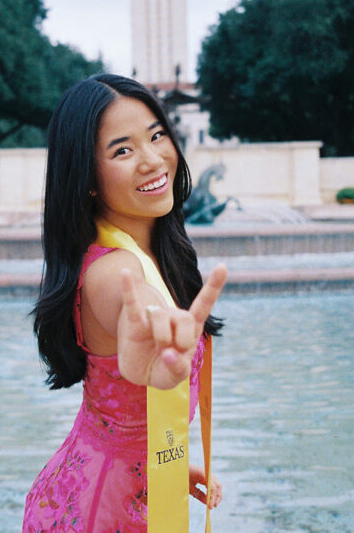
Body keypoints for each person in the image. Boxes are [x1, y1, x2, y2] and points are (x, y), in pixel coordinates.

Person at [23, 73, 227, 532]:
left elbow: (126, 418)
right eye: (123, 150)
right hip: (105, 514)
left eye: (157, 136)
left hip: (103, 482)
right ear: (87, 177)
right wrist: (151, 344)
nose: (153, 160)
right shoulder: (115, 273)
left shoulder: (143, 249)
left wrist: (169, 464)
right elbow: (141, 313)